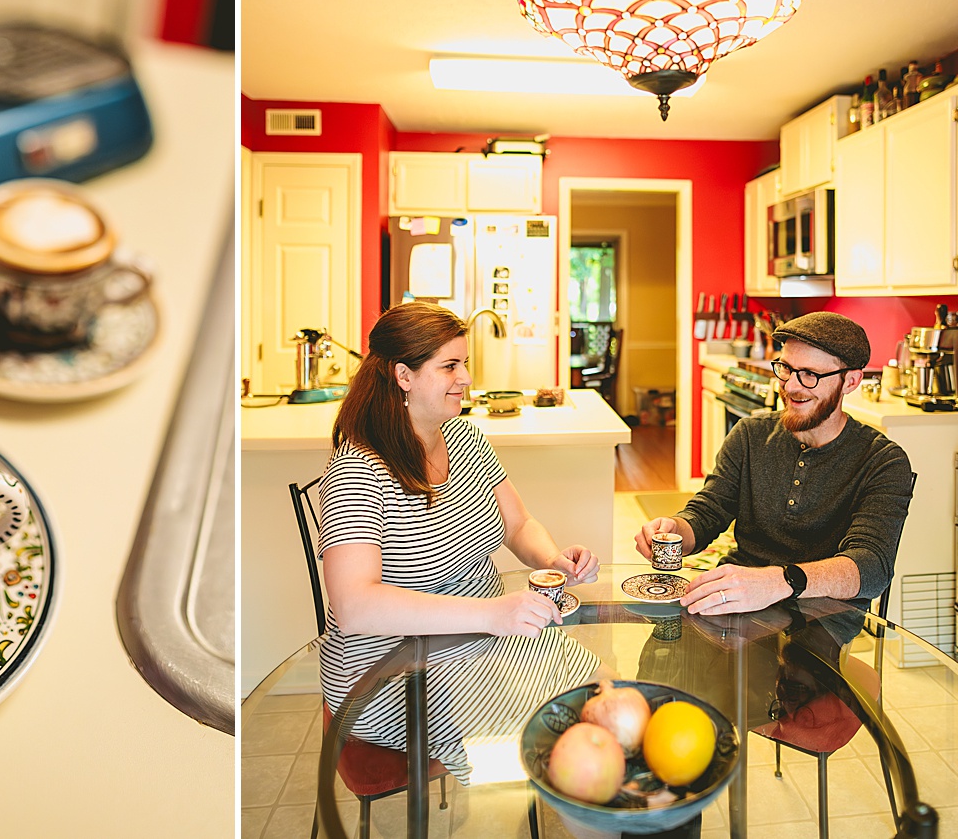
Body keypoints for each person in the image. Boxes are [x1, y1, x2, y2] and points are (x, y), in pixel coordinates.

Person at [318, 302, 602, 781]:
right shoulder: (358, 471)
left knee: (602, 700)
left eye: (464, 363)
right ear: (403, 376)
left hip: (489, 643)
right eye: (449, 366)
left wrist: (554, 559)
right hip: (395, 670)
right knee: (553, 755)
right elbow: (354, 605)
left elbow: (517, 524)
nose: (466, 377)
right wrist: (492, 614)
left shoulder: (463, 436)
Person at [636, 311, 913, 616]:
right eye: (786, 368)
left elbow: (872, 566)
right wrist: (675, 530)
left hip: (819, 617)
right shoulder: (750, 435)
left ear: (851, 381)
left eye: (810, 374)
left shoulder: (882, 461)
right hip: (735, 600)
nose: (792, 386)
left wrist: (779, 582)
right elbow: (707, 513)